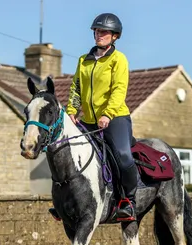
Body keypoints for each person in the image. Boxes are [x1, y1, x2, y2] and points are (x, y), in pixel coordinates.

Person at [50, 12, 138, 222]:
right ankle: (65, 202)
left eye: (104, 31)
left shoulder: (118, 60)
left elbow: (119, 89)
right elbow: (76, 87)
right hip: (87, 120)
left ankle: (128, 201)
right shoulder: (84, 60)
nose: (99, 34)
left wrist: (107, 114)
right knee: (66, 153)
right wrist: (72, 110)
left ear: (115, 36)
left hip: (115, 118)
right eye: (97, 31)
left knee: (123, 157)